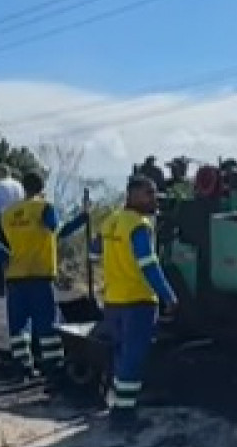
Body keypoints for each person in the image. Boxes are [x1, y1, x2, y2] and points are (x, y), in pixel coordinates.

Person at [0, 170, 88, 379]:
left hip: (15, 275)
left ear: (24, 188)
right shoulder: (44, 208)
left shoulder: (9, 212)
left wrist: (2, 254)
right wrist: (82, 218)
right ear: (42, 188)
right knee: (46, 321)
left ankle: (22, 365)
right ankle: (53, 365)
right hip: (40, 273)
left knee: (18, 324)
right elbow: (60, 231)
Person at [98, 175, 178, 429]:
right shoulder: (138, 225)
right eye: (149, 193)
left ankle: (118, 407)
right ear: (132, 195)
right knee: (133, 358)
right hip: (137, 301)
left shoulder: (111, 222)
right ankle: (124, 415)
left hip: (113, 301)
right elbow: (148, 264)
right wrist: (168, 295)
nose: (155, 199)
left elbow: (94, 252)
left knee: (121, 356)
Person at [0, 165, 25, 296]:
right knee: (16, 253)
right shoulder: (19, 185)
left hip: (1, 222)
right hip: (19, 222)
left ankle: (0, 287)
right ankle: (16, 283)